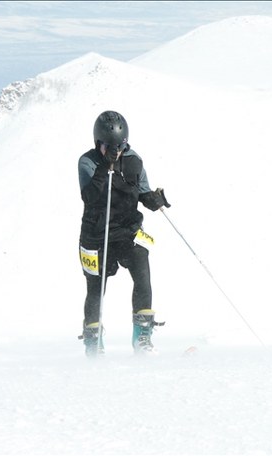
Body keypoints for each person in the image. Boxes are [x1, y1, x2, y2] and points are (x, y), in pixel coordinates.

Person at [77, 111, 170, 357]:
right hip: (96, 236)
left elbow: (142, 192)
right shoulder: (87, 162)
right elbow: (90, 197)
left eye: (120, 145)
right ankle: (93, 343)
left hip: (127, 232)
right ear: (98, 143)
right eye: (109, 146)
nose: (116, 151)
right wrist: (104, 168)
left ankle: (142, 337)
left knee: (142, 273)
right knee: (95, 289)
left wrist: (153, 199)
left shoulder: (134, 160)